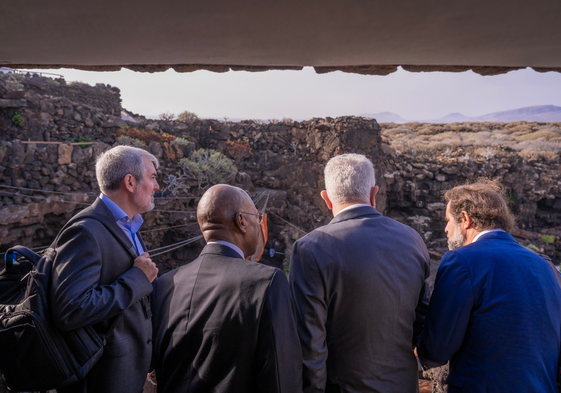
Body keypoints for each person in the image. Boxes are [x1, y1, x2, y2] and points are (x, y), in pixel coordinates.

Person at [289, 153, 430, 393]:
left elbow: (309, 345)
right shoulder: (412, 239)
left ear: (326, 199)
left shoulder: (311, 248)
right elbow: (424, 321)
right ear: (374, 195)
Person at [151, 184, 303, 393]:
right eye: (257, 218)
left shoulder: (165, 284)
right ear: (241, 221)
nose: (259, 225)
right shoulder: (266, 283)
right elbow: (281, 376)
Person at [416, 180, 561, 392]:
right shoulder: (547, 266)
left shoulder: (462, 261)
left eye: (447, 220)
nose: (446, 229)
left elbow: (436, 350)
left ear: (465, 219)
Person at [50, 145, 160, 393]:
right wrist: (137, 279)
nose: (157, 186)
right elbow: (70, 308)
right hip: (101, 379)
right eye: (152, 178)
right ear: (130, 182)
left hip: (126, 373)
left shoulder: (128, 226)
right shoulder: (85, 231)